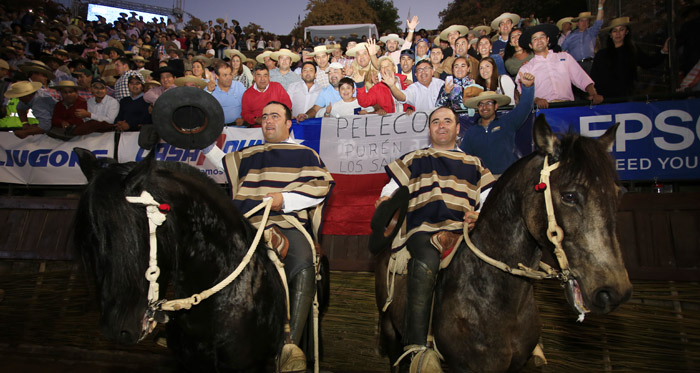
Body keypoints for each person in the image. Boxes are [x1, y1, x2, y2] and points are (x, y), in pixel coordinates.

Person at [203, 101, 334, 371]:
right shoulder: (250, 154)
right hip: (247, 223)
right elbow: (221, 161)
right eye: (264, 117)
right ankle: (192, 325)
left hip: (286, 222)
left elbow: (320, 187)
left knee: (304, 260)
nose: (268, 121)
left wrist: (283, 199)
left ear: (289, 123)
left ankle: (290, 345)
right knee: (205, 253)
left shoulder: (306, 153)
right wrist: (199, 139)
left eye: (275, 116)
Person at [376, 106, 495, 368]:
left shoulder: (474, 163)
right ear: (429, 129)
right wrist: (386, 200)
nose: (441, 126)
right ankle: (416, 347)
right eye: (435, 122)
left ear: (457, 128)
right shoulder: (415, 158)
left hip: (464, 231)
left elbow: (488, 199)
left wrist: (480, 215)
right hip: (423, 227)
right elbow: (391, 188)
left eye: (447, 121)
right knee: (426, 260)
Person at [461, 72, 535, 175]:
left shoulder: (507, 122)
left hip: (508, 178)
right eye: (481, 104)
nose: (485, 107)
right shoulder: (471, 132)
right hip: (483, 181)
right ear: (478, 108)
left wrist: (528, 87)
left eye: (489, 103)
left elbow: (525, 107)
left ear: (496, 106)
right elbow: (464, 158)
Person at [516, 24, 603, 109]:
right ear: (530, 45)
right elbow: (520, 94)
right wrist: (536, 100)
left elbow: (582, 78)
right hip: (543, 111)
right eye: (535, 38)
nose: (539, 40)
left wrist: (593, 94)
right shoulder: (526, 68)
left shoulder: (565, 58)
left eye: (542, 37)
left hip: (567, 107)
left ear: (547, 40)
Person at [591, 17, 669, 98]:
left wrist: (663, 51)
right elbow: (594, 77)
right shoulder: (601, 54)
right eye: (614, 31)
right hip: (606, 100)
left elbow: (648, 63)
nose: (618, 33)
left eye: (621, 30)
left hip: (627, 99)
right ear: (610, 34)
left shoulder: (633, 51)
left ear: (626, 32)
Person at [561, 0, 606, 74]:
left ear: (588, 24)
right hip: (576, 66)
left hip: (590, 64)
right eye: (582, 21)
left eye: (586, 21)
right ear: (577, 23)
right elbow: (562, 50)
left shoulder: (591, 32)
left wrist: (600, 6)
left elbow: (599, 21)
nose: (584, 23)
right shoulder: (570, 36)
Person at [205, 60, 246, 126]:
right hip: (218, 128)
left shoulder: (239, 86)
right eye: (225, 75)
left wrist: (244, 118)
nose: (229, 78)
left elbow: (248, 106)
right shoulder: (210, 88)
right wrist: (209, 91)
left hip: (239, 128)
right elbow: (203, 107)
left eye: (230, 74)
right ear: (217, 76)